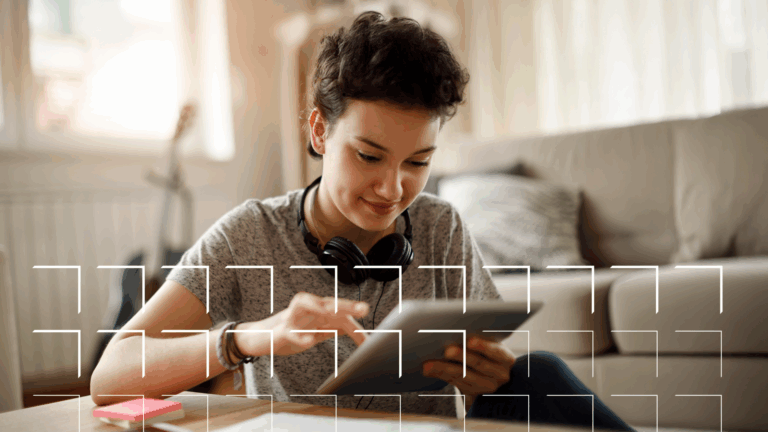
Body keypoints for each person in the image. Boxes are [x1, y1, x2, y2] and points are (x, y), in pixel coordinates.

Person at [90, 11, 634, 431]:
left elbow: (483, 378)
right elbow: (110, 377)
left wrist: (486, 376)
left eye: (417, 162)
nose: (392, 189)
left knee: (536, 372)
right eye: (369, 156)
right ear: (320, 131)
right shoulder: (248, 235)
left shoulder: (440, 227)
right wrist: (249, 338)